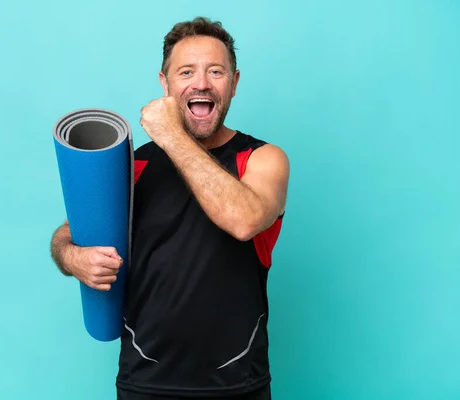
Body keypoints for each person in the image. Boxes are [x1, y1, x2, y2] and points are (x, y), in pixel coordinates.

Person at [50, 17, 290, 400]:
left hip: (236, 385)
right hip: (143, 382)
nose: (201, 83)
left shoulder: (263, 159)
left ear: (234, 83)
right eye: (186, 72)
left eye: (216, 71)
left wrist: (172, 135)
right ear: (165, 84)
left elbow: (244, 220)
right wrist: (72, 256)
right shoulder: (135, 166)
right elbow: (69, 231)